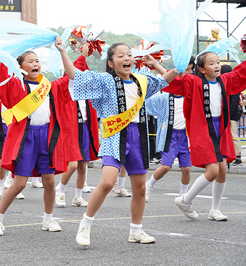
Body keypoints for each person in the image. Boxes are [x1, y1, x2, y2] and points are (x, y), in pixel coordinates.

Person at [56, 37, 178, 246]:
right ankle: (85, 225)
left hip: (138, 135)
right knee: (107, 182)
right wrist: (63, 52)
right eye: (120, 56)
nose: (127, 58)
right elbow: (74, 75)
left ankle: (136, 231)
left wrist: (157, 64)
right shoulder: (105, 81)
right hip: (115, 135)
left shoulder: (141, 80)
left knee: (139, 188)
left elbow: (167, 78)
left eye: (129, 55)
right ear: (111, 63)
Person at [0, 51, 68, 236]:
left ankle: (48, 218)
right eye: (30, 61)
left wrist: (63, 51)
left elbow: (70, 77)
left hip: (46, 136)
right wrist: (6, 57)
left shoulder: (50, 86)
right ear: (21, 67)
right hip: (26, 137)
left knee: (50, 182)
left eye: (37, 60)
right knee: (19, 184)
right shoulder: (16, 85)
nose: (35, 63)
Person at [161, 51, 246, 221]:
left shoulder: (225, 80)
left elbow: (240, 73)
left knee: (222, 171)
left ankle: (215, 210)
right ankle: (186, 200)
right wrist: (155, 65)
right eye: (212, 63)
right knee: (213, 170)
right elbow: (175, 81)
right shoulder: (195, 81)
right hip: (203, 129)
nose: (217, 66)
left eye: (217, 62)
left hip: (220, 129)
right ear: (202, 69)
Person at [55, 45, 99, 208]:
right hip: (70, 129)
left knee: (82, 164)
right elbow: (77, 68)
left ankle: (78, 196)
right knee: (72, 164)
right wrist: (83, 55)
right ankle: (60, 190)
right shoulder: (67, 86)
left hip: (84, 128)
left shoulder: (87, 91)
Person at [145, 90, 191, 202]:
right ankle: (149, 185)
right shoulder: (164, 97)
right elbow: (148, 103)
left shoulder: (189, 96)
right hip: (170, 136)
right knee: (165, 167)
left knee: (186, 169)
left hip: (186, 136)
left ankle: (183, 194)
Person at [226, 65, 244, 166]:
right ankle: (234, 156)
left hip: (231, 116)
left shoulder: (232, 86)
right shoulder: (233, 85)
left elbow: (232, 104)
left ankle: (238, 157)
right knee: (232, 135)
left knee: (233, 135)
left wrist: (228, 116)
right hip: (232, 115)